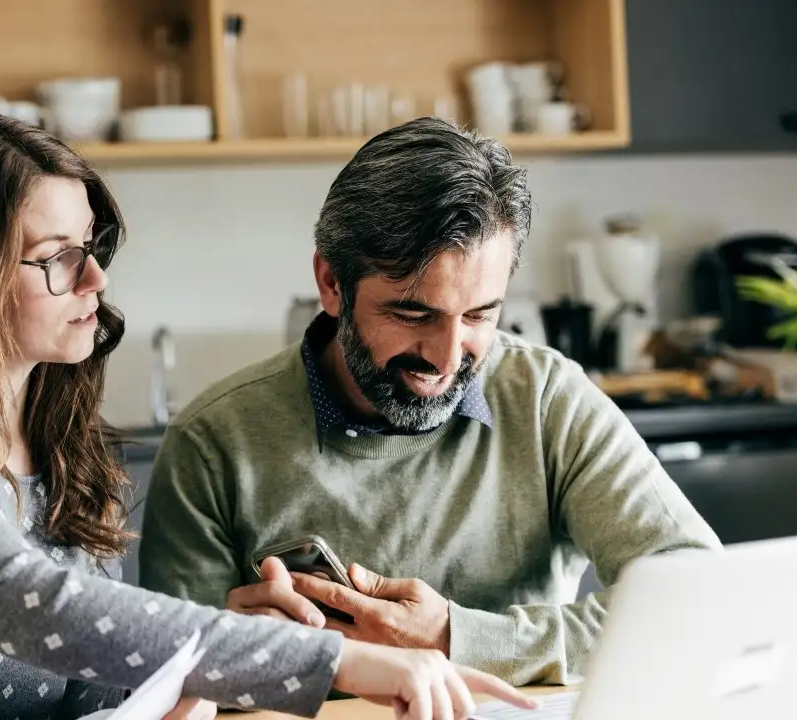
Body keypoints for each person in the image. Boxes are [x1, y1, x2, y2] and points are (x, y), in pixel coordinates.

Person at [0, 111, 536, 720]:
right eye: (57, 255)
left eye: (93, 246)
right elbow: (24, 598)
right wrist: (333, 664)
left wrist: (180, 686)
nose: (95, 276)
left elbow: (88, 691)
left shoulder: (66, 447)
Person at [137, 117, 723, 688]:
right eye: (413, 314)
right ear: (331, 283)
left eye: (479, 315)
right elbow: (167, 684)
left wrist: (457, 639)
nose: (447, 358)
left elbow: (698, 598)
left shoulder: (546, 400)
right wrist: (231, 659)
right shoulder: (212, 442)